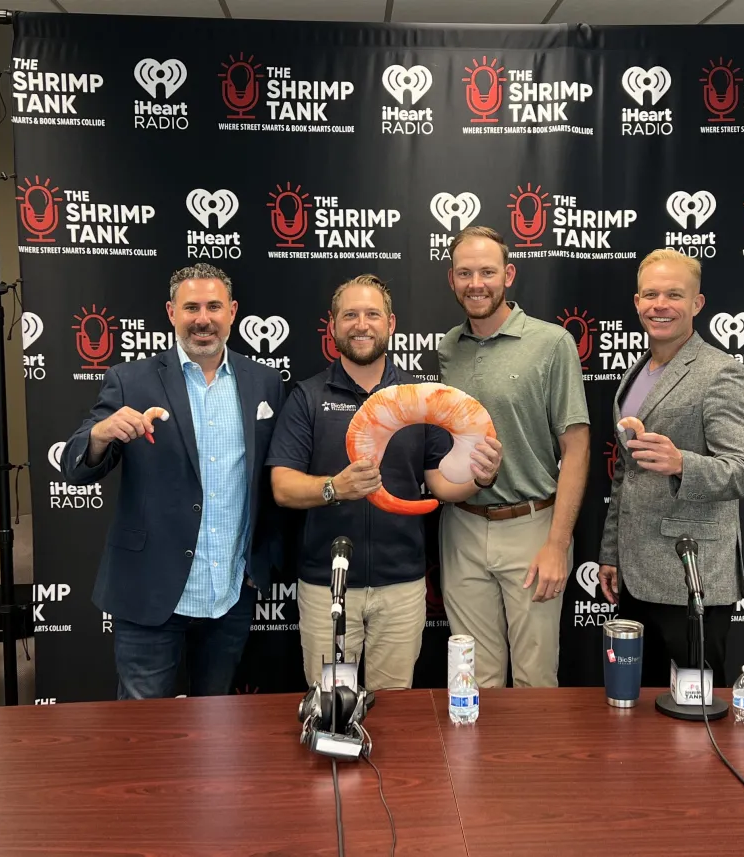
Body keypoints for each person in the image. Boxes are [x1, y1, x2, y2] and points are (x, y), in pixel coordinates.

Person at [59, 262, 285, 699]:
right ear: (171, 312)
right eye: (192, 307)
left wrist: (263, 562)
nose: (204, 318)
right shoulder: (130, 380)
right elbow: (74, 465)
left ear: (233, 311)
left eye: (214, 306)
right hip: (151, 594)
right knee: (144, 741)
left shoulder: (265, 382)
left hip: (230, 595)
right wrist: (101, 434)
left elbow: (274, 477)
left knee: (217, 733)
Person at [268, 275, 502, 691]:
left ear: (390, 324)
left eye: (372, 314)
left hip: (401, 586)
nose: (362, 324)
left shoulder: (418, 397)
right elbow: (283, 487)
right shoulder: (307, 397)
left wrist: (480, 479)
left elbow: (442, 487)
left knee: (394, 709)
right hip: (328, 588)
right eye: (350, 315)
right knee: (331, 705)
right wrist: (334, 488)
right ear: (333, 327)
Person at [436, 226, 590, 688]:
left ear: (509, 274)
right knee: (473, 681)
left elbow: (577, 448)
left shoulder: (552, 343)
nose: (475, 283)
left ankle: (529, 766)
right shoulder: (448, 348)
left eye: (487, 271)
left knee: (535, 680)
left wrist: (557, 545)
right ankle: (476, 765)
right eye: (465, 273)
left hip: (531, 527)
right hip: (461, 526)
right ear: (451, 280)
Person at [598, 249, 744, 685]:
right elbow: (626, 473)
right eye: (650, 294)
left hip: (691, 579)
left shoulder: (723, 373)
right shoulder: (635, 374)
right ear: (636, 302)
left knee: (693, 715)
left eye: (674, 294)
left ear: (697, 304)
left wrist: (680, 463)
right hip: (635, 574)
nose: (660, 305)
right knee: (637, 708)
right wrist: (612, 553)